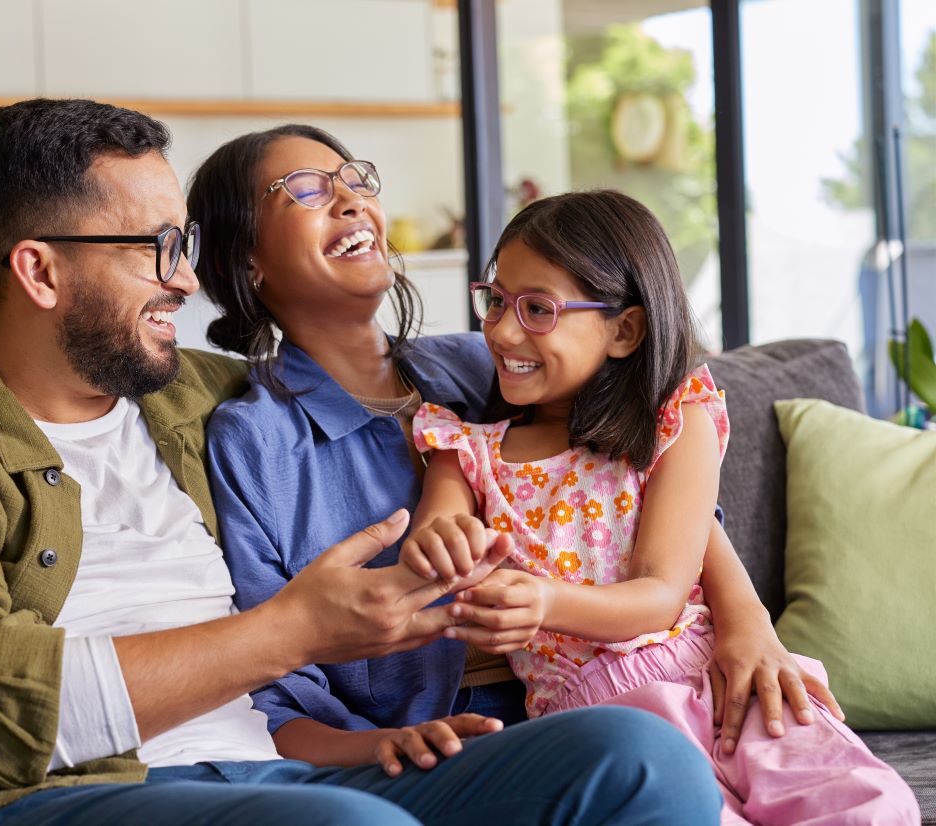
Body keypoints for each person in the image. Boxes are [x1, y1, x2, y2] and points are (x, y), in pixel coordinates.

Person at [0, 99, 722, 826]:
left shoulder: (204, 395)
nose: (187, 279)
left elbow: (632, 442)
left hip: (288, 776)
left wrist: (742, 616)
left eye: (185, 245)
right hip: (59, 795)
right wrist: (293, 631)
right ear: (40, 271)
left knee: (640, 758)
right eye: (156, 249)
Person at [190, 124, 841, 774]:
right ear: (245, 260)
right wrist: (373, 747)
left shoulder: (490, 362)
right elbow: (265, 682)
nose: (353, 200)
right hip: (454, 748)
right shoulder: (256, 439)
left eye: (357, 180)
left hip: (635, 686)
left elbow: (651, 481)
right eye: (305, 190)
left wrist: (748, 620)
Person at [400, 190, 921, 824]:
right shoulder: (468, 451)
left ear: (625, 330)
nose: (504, 330)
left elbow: (661, 593)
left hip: (718, 680)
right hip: (596, 725)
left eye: (539, 309)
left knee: (868, 806)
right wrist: (439, 545)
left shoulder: (674, 424)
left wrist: (545, 603)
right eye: (497, 300)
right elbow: (437, 531)